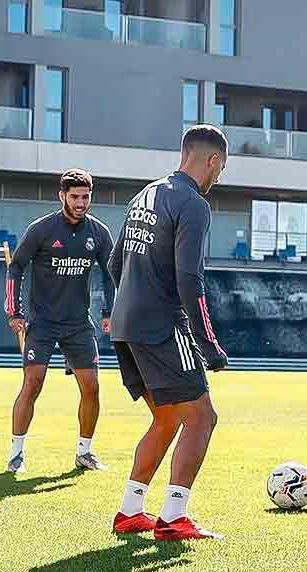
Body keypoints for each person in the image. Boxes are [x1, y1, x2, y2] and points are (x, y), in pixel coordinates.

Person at [107, 125, 229, 540]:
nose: (218, 177)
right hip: (161, 325)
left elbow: (113, 262)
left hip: (125, 325)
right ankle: (175, 518)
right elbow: (189, 279)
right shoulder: (193, 204)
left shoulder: (147, 193)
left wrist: (125, 303)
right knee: (202, 418)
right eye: (221, 168)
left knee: (166, 418)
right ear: (211, 160)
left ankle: (130, 511)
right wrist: (208, 342)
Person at [4, 169, 115, 474]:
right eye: (75, 196)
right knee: (33, 384)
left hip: (79, 324)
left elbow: (110, 275)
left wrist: (108, 312)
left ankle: (85, 452)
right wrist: (14, 311)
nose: (81, 202)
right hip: (42, 323)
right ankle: (16, 454)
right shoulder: (42, 229)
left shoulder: (99, 233)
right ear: (62, 196)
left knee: (91, 388)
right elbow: (16, 268)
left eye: (86, 196)